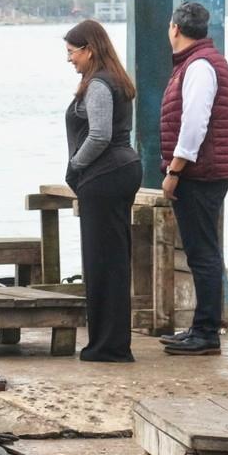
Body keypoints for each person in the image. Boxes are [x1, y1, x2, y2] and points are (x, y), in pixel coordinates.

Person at [158, 1, 228, 356]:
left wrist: (175, 170)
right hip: (206, 169)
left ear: (174, 28)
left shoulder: (200, 66)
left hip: (200, 172)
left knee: (202, 253)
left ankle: (206, 332)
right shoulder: (200, 63)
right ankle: (200, 327)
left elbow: (194, 123)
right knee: (199, 250)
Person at [62, 20, 144, 362]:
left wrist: (75, 167)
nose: (69, 60)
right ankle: (111, 342)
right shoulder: (116, 79)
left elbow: (99, 136)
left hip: (105, 174)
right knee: (113, 260)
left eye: (71, 52)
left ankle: (108, 346)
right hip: (122, 170)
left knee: (101, 262)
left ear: (89, 49)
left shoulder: (97, 84)